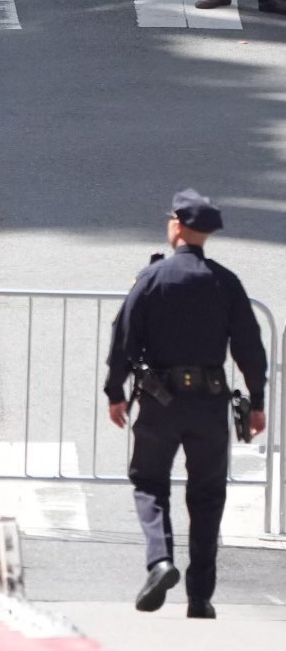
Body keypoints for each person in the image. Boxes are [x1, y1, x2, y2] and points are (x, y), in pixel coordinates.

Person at [104, 189, 267, 618]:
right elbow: (250, 347)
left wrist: (115, 392)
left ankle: (160, 562)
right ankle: (200, 598)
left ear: (176, 224)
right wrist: (258, 401)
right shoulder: (226, 282)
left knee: (149, 482)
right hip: (211, 405)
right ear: (205, 234)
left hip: (160, 403)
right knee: (208, 496)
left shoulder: (151, 279)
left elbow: (124, 339)